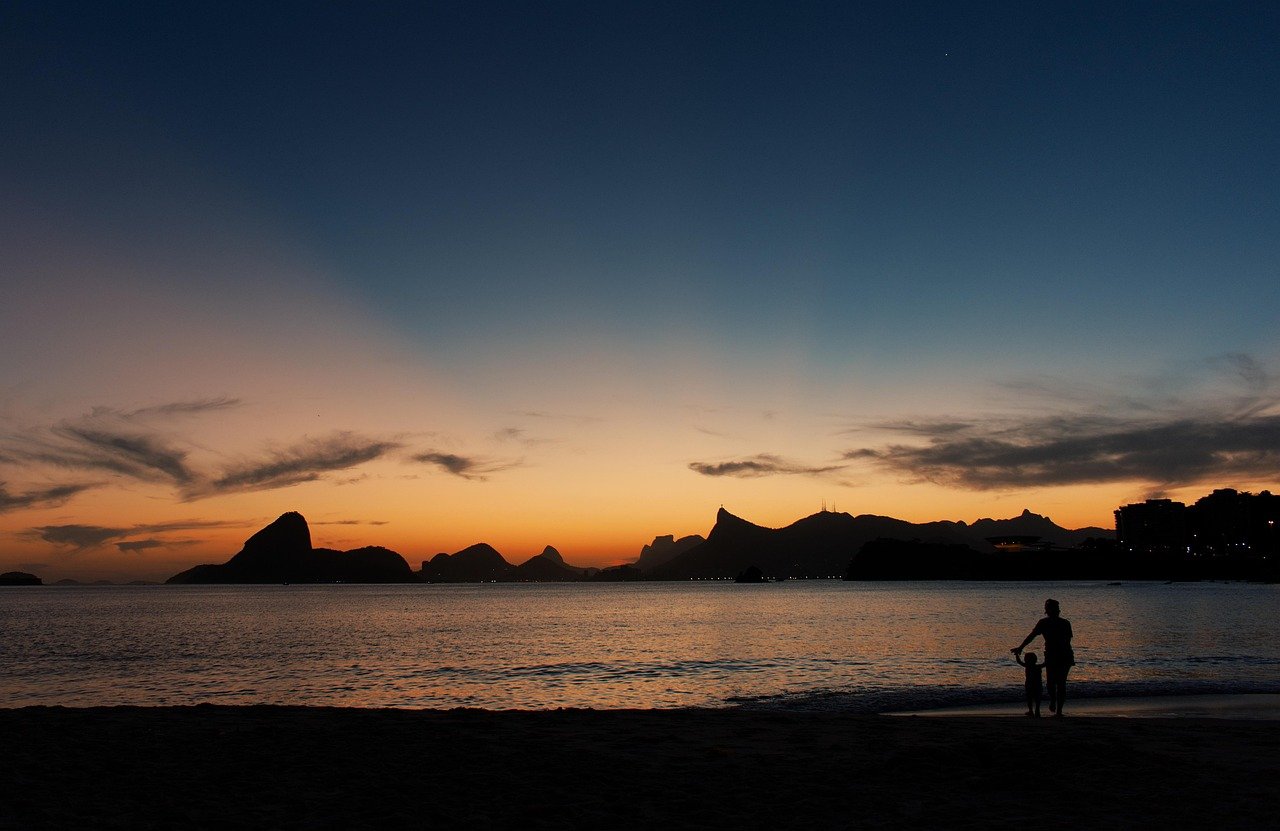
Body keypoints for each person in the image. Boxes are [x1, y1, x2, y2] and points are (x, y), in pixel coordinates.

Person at [1012, 598, 1074, 717]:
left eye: (1052, 609)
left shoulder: (1065, 623)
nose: (1051, 611)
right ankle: (1053, 701)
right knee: (1051, 683)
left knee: (1061, 683)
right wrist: (1021, 647)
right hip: (1051, 655)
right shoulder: (1043, 623)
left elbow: (1067, 640)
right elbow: (1032, 636)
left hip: (1064, 656)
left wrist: (1058, 648)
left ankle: (1059, 711)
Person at [1013, 651, 1044, 717]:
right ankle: (1037, 710)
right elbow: (1045, 663)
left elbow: (1019, 662)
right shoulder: (1038, 667)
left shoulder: (1027, 666)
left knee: (1029, 698)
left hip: (1029, 684)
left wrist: (1017, 655)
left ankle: (1031, 711)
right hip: (1038, 684)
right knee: (1037, 698)